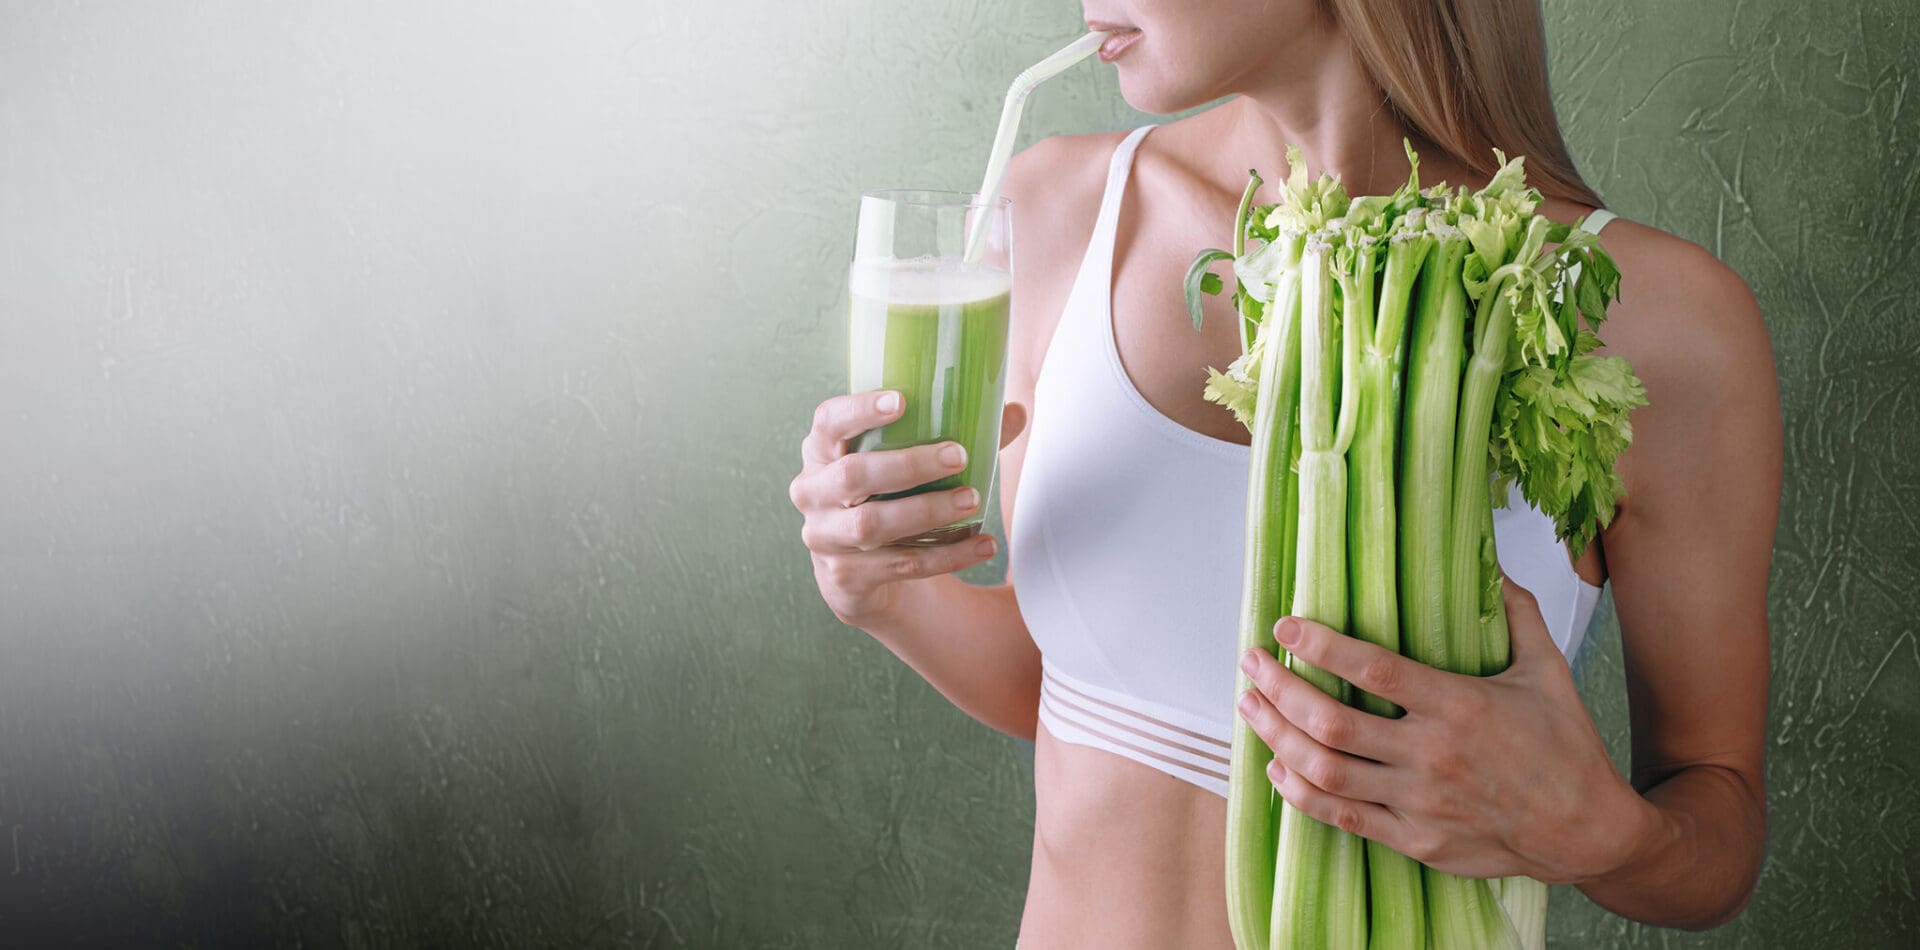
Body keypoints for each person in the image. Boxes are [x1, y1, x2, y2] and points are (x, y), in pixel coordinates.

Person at [788, 1, 1780, 945]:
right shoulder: (1055, 213)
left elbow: (1716, 826)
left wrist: (1600, 832)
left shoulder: (1660, 325)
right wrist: (886, 596)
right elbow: (1069, 680)